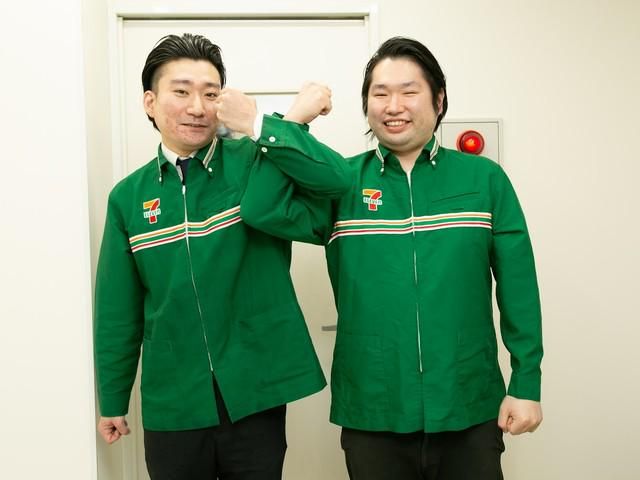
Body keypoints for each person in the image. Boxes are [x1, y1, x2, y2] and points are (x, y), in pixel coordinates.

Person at [242, 36, 543, 479]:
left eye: (409, 91)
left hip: (467, 403)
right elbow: (261, 208)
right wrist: (290, 123)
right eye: (380, 94)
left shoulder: (484, 179)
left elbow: (519, 287)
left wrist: (526, 382)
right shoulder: (341, 183)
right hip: (373, 409)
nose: (393, 106)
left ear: (438, 100)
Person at [94, 33, 351, 479]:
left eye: (210, 94)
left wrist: (273, 124)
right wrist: (113, 399)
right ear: (150, 102)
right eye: (181, 92)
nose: (197, 107)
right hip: (173, 398)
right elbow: (118, 312)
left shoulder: (254, 158)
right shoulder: (128, 198)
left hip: (254, 391)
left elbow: (338, 182)